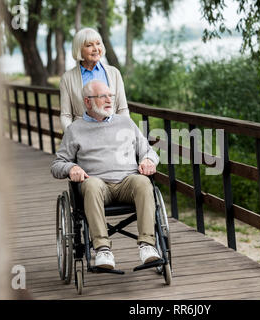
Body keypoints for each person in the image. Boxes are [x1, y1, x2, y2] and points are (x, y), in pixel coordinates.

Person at [51, 80, 160, 269]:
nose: (109, 100)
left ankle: (147, 246)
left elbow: (148, 151)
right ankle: (102, 250)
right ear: (87, 102)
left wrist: (149, 160)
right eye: (103, 96)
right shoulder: (75, 130)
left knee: (143, 182)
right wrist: (71, 168)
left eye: (111, 96)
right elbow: (57, 165)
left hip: (127, 182)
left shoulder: (125, 122)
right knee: (91, 185)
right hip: (97, 185)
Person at [59, 28, 129, 131]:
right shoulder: (67, 78)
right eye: (89, 45)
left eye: (98, 44)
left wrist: (123, 132)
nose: (96, 48)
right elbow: (66, 115)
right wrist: (72, 136)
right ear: (79, 50)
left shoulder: (114, 73)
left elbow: (122, 109)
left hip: (112, 132)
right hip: (82, 134)